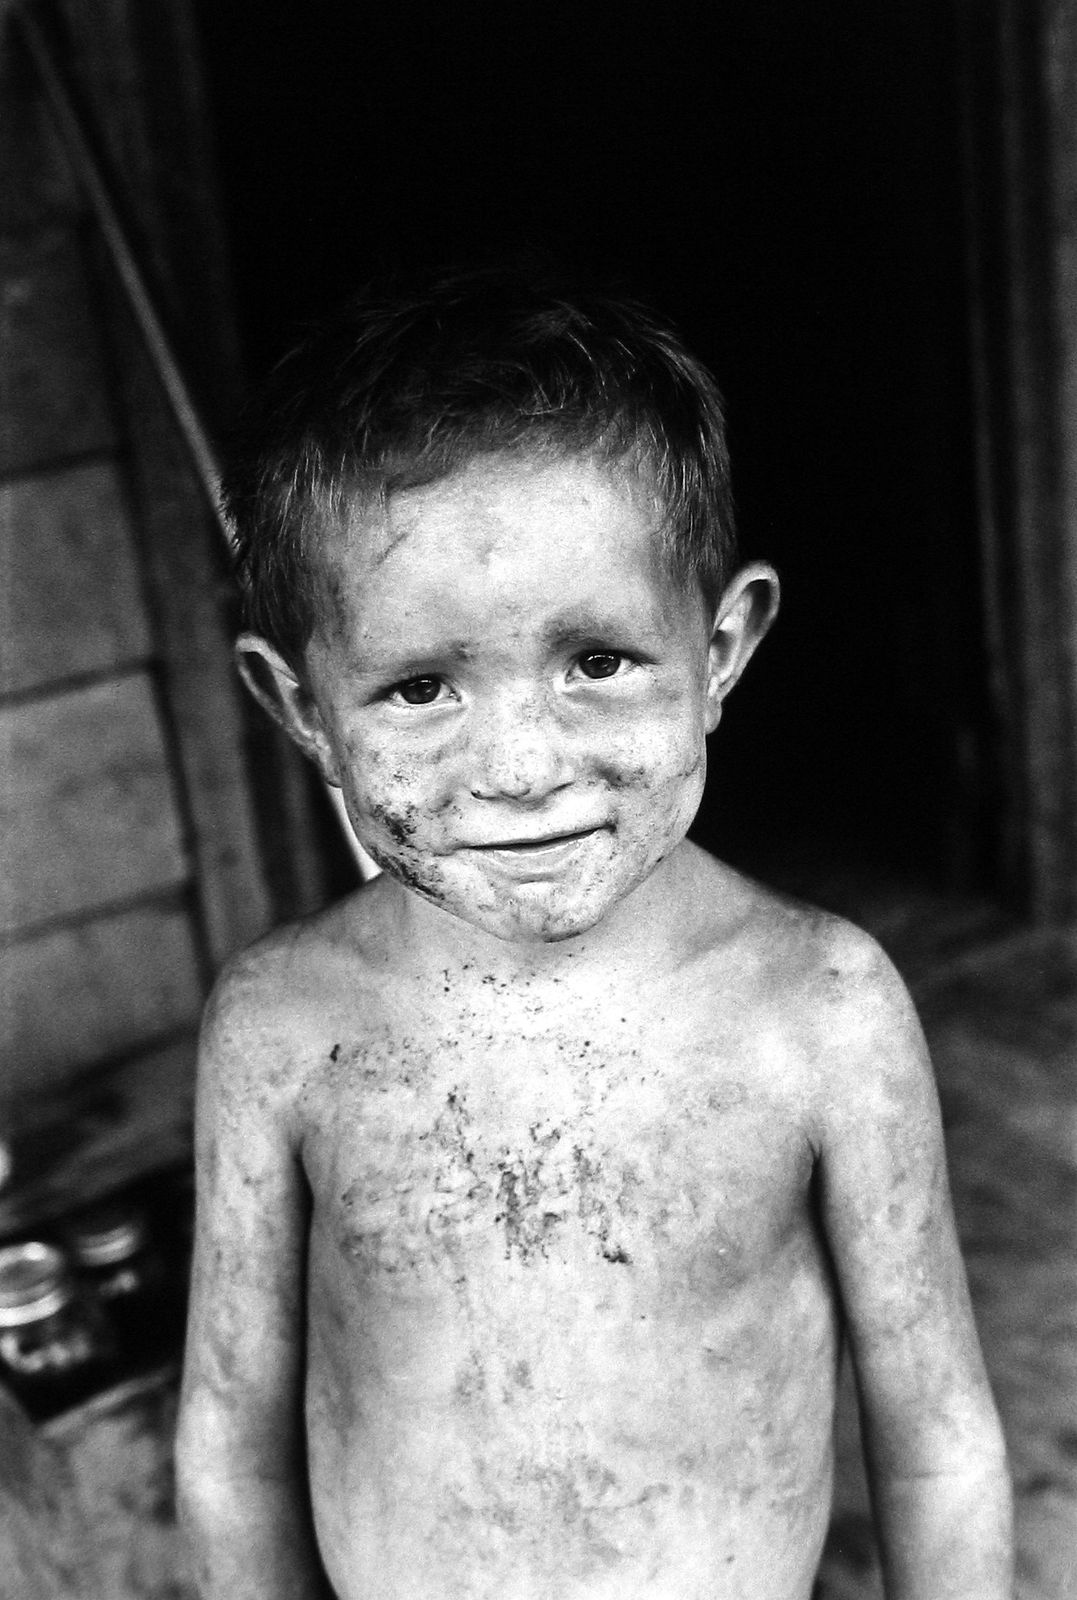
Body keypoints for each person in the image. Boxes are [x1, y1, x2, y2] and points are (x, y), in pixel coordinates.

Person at [175, 264, 1013, 1600]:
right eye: (417, 686)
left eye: (597, 661)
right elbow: (231, 1437)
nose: (517, 765)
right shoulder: (282, 1025)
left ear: (722, 646)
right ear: (299, 709)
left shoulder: (821, 1008)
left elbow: (935, 1444)